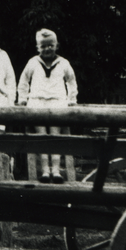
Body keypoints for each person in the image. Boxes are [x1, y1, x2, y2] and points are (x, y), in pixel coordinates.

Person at [17, 28, 78, 184]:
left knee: (55, 135)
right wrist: (22, 99)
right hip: (37, 102)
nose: (47, 49)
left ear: (56, 45)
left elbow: (71, 82)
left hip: (58, 102)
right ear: (38, 47)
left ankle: (56, 171)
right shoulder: (33, 62)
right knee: (42, 136)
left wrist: (72, 99)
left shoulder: (64, 63)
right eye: (43, 46)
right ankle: (45, 170)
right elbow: (23, 81)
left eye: (50, 45)